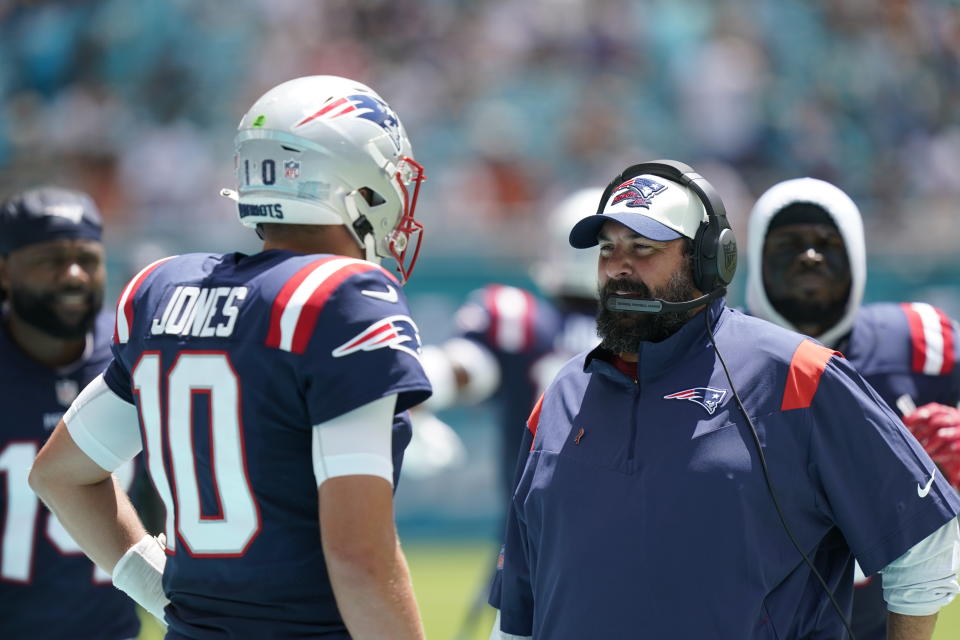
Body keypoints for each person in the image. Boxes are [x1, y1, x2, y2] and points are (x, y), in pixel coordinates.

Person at [28, 75, 431, 639]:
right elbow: (359, 558)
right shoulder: (344, 297)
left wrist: (149, 581)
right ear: (354, 184)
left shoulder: (162, 289)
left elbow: (60, 473)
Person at [488, 160, 960, 640]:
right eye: (609, 248)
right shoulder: (560, 397)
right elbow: (516, 617)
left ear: (709, 260)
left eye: (644, 247)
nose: (619, 266)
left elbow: (923, 539)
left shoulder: (798, 374)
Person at [745, 176, 960, 640]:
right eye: (790, 243)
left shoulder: (920, 342)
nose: (810, 256)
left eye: (827, 242)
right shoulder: (719, 358)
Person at [0, 186, 142, 639]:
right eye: (51, 260)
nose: (75, 275)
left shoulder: (132, 355)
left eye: (88, 258)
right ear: (5, 270)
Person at [420, 187, 602, 507]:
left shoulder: (523, 322)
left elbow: (461, 370)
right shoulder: (660, 337)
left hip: (530, 547)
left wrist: (409, 390)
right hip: (631, 544)